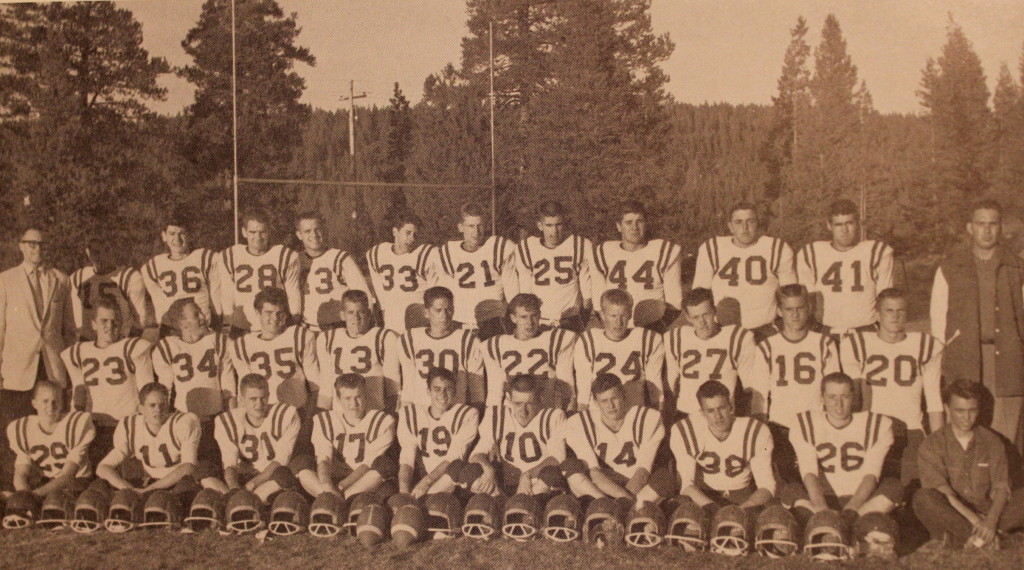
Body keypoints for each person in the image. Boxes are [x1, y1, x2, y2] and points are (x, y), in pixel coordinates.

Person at [930, 199, 1024, 448]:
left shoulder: (1017, 267)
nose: (987, 230)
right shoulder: (950, 267)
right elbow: (938, 323)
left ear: (1001, 227)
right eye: (981, 224)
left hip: (1008, 360)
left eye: (993, 224)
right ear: (970, 227)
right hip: (964, 359)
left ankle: (1007, 485)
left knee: (1006, 437)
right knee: (966, 430)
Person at [840, 288, 944, 484]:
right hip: (871, 428)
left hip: (910, 428)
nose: (895, 317)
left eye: (900, 311)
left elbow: (934, 401)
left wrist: (938, 443)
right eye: (889, 311)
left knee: (911, 487)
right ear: (877, 314)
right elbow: (853, 399)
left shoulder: (924, 345)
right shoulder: (857, 344)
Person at [0, 227, 76, 489]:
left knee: (52, 427)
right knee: (16, 433)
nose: (37, 249)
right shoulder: (5, 280)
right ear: (21, 246)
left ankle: (52, 490)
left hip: (52, 368)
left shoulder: (61, 280)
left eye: (41, 245)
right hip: (17, 370)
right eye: (31, 244)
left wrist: (69, 369)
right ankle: (14, 492)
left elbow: (68, 330)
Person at [913, 379, 1024, 550]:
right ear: (947, 409)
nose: (967, 417)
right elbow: (945, 493)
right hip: (956, 515)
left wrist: (990, 521)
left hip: (992, 514)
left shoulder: (992, 441)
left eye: (972, 410)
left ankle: (970, 540)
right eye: (960, 411)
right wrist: (977, 522)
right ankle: (987, 540)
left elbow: (1002, 488)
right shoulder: (931, 445)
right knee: (923, 498)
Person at [749, 284, 839, 482]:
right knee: (789, 484)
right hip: (782, 426)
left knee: (822, 483)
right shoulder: (767, 346)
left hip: (817, 424)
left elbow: (834, 391)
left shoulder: (824, 343)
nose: (795, 314)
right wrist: (760, 431)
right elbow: (759, 394)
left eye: (800, 308)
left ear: (809, 308)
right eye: (789, 309)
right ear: (779, 311)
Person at [783, 373, 900, 525]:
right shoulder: (806, 423)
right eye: (832, 397)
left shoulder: (877, 424)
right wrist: (822, 509)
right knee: (790, 490)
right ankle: (851, 524)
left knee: (894, 486)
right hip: (821, 498)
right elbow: (809, 472)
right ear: (822, 398)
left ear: (853, 397)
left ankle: (842, 523)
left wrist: (851, 510)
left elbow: (871, 475)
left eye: (844, 396)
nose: (838, 404)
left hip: (861, 501)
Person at [62, 296, 154, 470]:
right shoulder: (78, 352)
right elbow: (78, 393)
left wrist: (143, 429)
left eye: (114, 321)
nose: (109, 326)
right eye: (104, 320)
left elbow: (146, 392)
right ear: (94, 324)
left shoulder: (132, 348)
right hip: (93, 428)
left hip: (126, 426)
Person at [561, 373, 670, 506]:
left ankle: (621, 509)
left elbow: (643, 471)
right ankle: (610, 506)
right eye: (604, 401)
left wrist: (624, 501)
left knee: (666, 477)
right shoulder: (578, 423)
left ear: (623, 395)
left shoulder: (648, 418)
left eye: (614, 398)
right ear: (595, 402)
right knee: (570, 466)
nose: (611, 406)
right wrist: (622, 499)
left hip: (639, 485)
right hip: (603, 485)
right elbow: (595, 473)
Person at [96, 383, 220, 497]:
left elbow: (188, 467)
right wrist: (129, 489)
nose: (158, 410)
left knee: (185, 489)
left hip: (178, 481)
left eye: (162, 405)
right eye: (152, 405)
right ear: (141, 408)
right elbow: (103, 467)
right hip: (148, 479)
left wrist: (149, 490)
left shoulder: (183, 423)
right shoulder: (130, 426)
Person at [669, 380, 775, 513]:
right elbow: (687, 484)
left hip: (743, 496)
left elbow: (767, 485)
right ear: (702, 413)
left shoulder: (755, 430)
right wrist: (714, 509)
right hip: (704, 496)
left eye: (722, 408)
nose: (718, 416)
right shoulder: (686, 430)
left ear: (731, 407)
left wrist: (742, 510)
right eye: (710, 411)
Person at [152, 297, 235, 463]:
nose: (203, 318)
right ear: (182, 324)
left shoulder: (218, 341)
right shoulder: (168, 347)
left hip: (215, 420)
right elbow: (165, 391)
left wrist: (232, 422)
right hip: (184, 421)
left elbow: (229, 389)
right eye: (196, 315)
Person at [459, 374, 568, 497]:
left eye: (529, 403)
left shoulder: (553, 416)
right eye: (518, 403)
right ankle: (500, 500)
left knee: (551, 474)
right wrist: (489, 469)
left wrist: (528, 474)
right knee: (470, 473)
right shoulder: (496, 415)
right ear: (509, 399)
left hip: (536, 484)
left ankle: (524, 505)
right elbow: (476, 454)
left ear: (540, 399)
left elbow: (557, 458)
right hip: (504, 484)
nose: (523, 410)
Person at [692, 202, 796, 329]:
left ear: (757, 224)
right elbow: (699, 296)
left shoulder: (776, 248)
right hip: (723, 329)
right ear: (730, 226)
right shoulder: (713, 248)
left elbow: (791, 295)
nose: (745, 227)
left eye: (750, 221)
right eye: (738, 222)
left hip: (766, 329)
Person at [292, 373, 397, 499]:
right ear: (338, 398)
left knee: (385, 464)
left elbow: (367, 464)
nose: (353, 404)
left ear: (366, 395)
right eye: (347, 398)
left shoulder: (383, 421)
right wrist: (327, 485)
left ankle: (337, 499)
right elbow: (324, 458)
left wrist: (342, 486)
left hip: (363, 482)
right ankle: (327, 496)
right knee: (301, 462)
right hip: (330, 480)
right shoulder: (326, 420)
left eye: (358, 397)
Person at [797, 200, 894, 333]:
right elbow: (807, 300)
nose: (844, 230)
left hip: (866, 330)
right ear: (829, 226)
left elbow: (887, 299)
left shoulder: (876, 251)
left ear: (858, 224)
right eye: (838, 224)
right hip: (827, 332)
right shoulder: (812, 253)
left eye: (849, 223)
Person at [666, 288, 756, 419]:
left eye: (706, 314)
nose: (702, 322)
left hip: (721, 416)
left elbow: (750, 387)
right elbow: (671, 383)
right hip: (686, 414)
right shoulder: (676, 337)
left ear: (714, 310)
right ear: (687, 317)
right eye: (695, 317)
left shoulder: (736, 338)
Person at [592, 200, 682, 331]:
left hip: (653, 327)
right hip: (616, 329)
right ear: (618, 226)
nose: (634, 227)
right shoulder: (603, 253)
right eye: (628, 222)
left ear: (646, 224)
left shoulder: (663, 251)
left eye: (639, 221)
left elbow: (675, 304)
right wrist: (616, 332)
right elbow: (599, 305)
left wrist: (650, 334)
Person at [433, 202, 517, 339]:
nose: (476, 232)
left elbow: (513, 291)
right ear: (460, 227)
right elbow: (445, 295)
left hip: (493, 322)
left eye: (480, 225)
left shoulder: (500, 247)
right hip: (460, 323)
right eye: (470, 226)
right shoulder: (448, 253)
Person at [214, 374, 302, 501]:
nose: (259, 404)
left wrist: (253, 484)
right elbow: (230, 464)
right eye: (253, 399)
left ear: (269, 395)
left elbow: (281, 460)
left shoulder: (286, 415)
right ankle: (239, 500)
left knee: (284, 475)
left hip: (270, 477)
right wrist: (235, 488)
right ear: (242, 400)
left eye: (263, 398)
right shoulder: (227, 421)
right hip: (243, 477)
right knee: (204, 470)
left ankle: (244, 502)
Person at [480, 293, 576, 409]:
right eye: (523, 317)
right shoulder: (495, 345)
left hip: (546, 411)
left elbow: (566, 386)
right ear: (513, 318)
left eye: (533, 316)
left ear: (539, 315)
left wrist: (567, 414)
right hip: (513, 413)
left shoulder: (557, 340)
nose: (530, 322)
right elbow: (495, 391)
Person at [573, 289, 665, 410]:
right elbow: (584, 390)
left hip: (634, 412)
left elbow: (655, 388)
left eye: (623, 315)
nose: (618, 322)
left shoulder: (648, 339)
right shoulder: (588, 341)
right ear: (602, 315)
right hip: (599, 414)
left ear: (630, 314)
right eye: (613, 316)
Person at [397, 367, 480, 498]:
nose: (442, 394)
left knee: (459, 467)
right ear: (428, 391)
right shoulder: (411, 413)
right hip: (423, 477)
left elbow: (453, 458)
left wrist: (426, 483)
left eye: (448, 389)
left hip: (449, 481)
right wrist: (404, 492)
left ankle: (424, 500)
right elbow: (407, 458)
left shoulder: (467, 414)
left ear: (455, 392)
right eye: (437, 389)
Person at [216, 209, 301, 334]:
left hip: (274, 325)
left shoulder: (284, 255)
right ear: (244, 232)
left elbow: (292, 293)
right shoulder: (230, 256)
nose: (258, 237)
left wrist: (293, 321)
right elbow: (227, 295)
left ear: (269, 232)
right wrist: (229, 322)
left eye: (263, 232)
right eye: (253, 232)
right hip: (242, 326)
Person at [514, 200, 594, 332]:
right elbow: (525, 294)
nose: (554, 231)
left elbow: (587, 296)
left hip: (570, 320)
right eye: (549, 225)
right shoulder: (527, 248)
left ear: (564, 224)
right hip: (540, 322)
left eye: (558, 225)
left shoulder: (579, 245)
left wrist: (580, 321)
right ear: (540, 225)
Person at [230, 287, 315, 410]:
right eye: (268, 313)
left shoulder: (300, 336)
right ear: (258, 313)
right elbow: (243, 390)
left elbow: (314, 384)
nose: (275, 318)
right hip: (262, 410)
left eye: (280, 313)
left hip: (296, 409)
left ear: (286, 314)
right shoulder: (243, 345)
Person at [397, 286, 484, 407]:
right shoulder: (410, 339)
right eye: (438, 310)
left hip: (455, 412)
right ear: (427, 312)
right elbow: (408, 387)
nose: (444, 315)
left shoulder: (468, 340)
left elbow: (477, 390)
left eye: (448, 310)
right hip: (421, 410)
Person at [314, 290, 399, 412]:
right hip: (341, 415)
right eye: (350, 312)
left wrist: (387, 417)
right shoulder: (328, 339)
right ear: (342, 315)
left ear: (369, 314)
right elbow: (326, 388)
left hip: (373, 414)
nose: (356, 318)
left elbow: (393, 388)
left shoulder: (384, 338)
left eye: (361, 312)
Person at [6, 381, 94, 498]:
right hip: (45, 482)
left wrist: (33, 496)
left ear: (62, 404)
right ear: (34, 403)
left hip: (77, 484)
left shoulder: (75, 425)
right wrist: (23, 494)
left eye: (55, 401)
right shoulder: (23, 428)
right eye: (45, 401)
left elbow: (67, 476)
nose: (51, 407)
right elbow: (21, 473)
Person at [294, 212, 373, 332]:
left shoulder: (339, 258)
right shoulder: (296, 261)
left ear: (324, 230)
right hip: (309, 330)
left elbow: (363, 295)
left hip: (338, 328)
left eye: (317, 229)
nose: (314, 235)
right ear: (299, 235)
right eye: (307, 231)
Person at [141, 212, 217, 334]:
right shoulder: (154, 266)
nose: (177, 239)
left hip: (201, 328)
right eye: (172, 233)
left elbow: (216, 299)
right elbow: (158, 304)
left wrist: (215, 326)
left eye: (182, 233)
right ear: (164, 236)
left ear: (190, 235)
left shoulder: (204, 258)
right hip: (172, 330)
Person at [365, 211, 437, 333]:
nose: (412, 239)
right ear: (395, 232)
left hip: (419, 321)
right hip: (391, 321)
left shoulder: (425, 254)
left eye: (416, 234)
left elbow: (435, 291)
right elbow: (377, 284)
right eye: (408, 233)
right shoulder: (377, 254)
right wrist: (383, 306)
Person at [70, 236, 153, 341]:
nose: (102, 256)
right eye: (96, 252)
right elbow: (74, 321)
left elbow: (140, 321)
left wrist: (124, 346)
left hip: (119, 341)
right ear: (88, 253)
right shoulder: (78, 277)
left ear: (114, 249)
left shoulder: (129, 277)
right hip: (88, 344)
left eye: (106, 250)